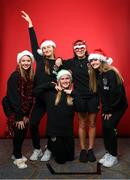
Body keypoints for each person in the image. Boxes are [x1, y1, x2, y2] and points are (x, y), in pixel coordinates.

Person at [21, 11, 59, 161]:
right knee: (34, 123)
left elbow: (63, 79)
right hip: (39, 96)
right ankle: (37, 148)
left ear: (53, 49)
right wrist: (30, 25)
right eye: (44, 48)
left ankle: (49, 148)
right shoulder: (39, 59)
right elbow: (33, 43)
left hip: (51, 97)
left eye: (49, 48)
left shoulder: (58, 63)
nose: (46, 50)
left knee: (51, 125)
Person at [56, 40, 99, 162]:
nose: (79, 49)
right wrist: (58, 58)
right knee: (81, 123)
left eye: (81, 47)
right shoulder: (71, 62)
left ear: (85, 48)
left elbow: (103, 68)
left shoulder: (92, 60)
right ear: (74, 50)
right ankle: (83, 150)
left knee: (92, 123)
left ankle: (90, 149)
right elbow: (59, 64)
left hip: (93, 96)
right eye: (77, 48)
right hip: (79, 96)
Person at [33, 69, 85, 164]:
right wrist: (50, 84)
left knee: (70, 158)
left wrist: (73, 93)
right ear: (58, 81)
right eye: (62, 79)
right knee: (61, 161)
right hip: (54, 132)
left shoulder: (73, 95)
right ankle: (51, 146)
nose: (65, 81)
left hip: (68, 133)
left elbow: (82, 108)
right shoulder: (50, 94)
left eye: (67, 78)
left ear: (70, 80)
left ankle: (54, 148)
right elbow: (35, 92)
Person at [88, 49, 128, 167]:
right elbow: (103, 94)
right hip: (108, 106)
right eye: (91, 61)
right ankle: (109, 152)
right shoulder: (98, 73)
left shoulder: (111, 72)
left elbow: (117, 94)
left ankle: (114, 155)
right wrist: (105, 108)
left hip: (118, 105)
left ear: (101, 60)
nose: (93, 62)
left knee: (109, 127)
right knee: (105, 128)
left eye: (95, 59)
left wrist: (110, 110)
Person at [2, 50, 34, 169]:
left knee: (23, 130)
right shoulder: (15, 76)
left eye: (28, 60)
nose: (26, 63)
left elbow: (29, 99)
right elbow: (14, 99)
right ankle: (17, 157)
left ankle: (15, 154)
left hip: (21, 109)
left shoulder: (29, 76)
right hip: (12, 107)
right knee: (19, 131)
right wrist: (19, 117)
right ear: (19, 62)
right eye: (23, 60)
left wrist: (26, 115)